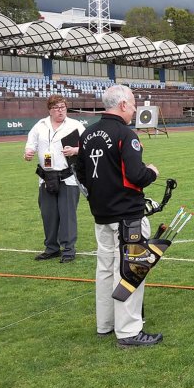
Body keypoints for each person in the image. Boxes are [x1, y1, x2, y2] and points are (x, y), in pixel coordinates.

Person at [75, 84, 164, 348]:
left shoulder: (88, 133)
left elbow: (80, 173)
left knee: (105, 269)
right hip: (128, 216)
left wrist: (99, 195)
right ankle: (128, 331)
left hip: (102, 214)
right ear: (123, 104)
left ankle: (106, 324)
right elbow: (136, 175)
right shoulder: (125, 134)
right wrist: (152, 172)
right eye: (133, 104)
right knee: (130, 270)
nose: (135, 109)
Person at [24, 95, 85, 263]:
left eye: (63, 107)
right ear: (49, 110)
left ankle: (69, 250)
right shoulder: (40, 125)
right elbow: (31, 143)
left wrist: (75, 150)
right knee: (48, 215)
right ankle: (52, 248)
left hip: (68, 177)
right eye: (57, 108)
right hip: (46, 178)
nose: (60, 111)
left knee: (67, 215)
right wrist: (28, 152)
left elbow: (88, 146)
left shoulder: (75, 125)